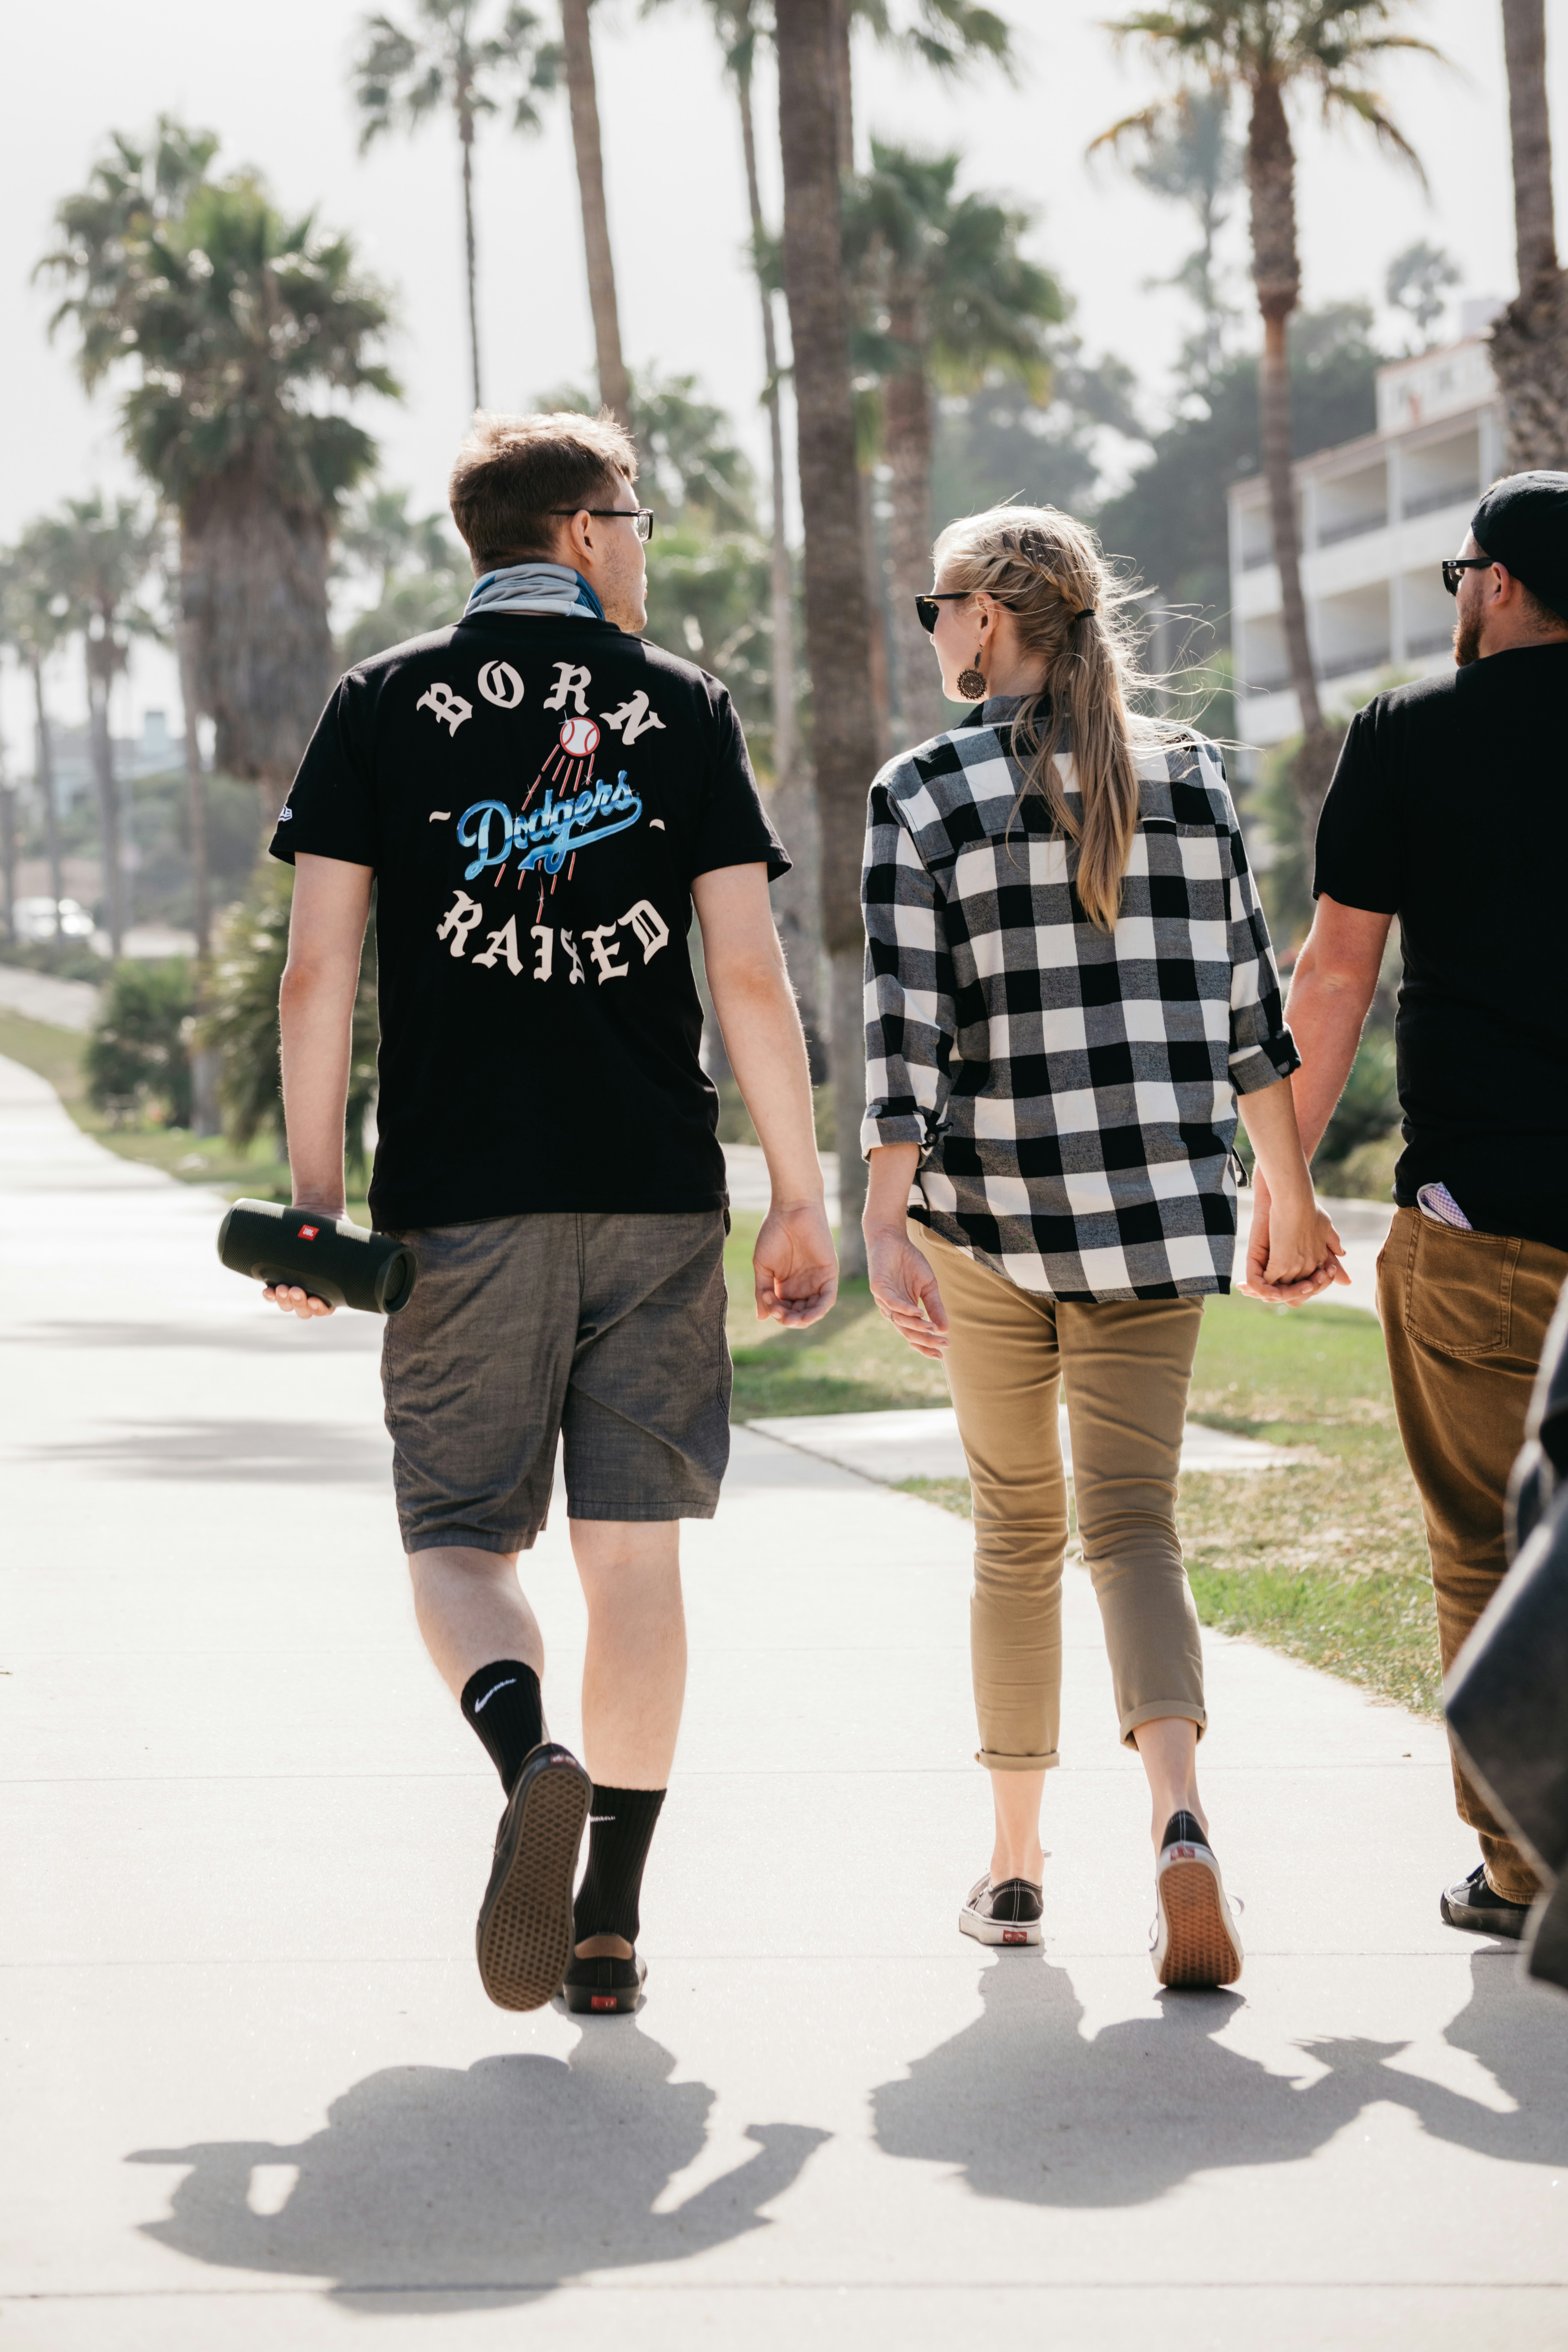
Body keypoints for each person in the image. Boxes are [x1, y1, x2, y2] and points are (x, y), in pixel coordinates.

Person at [262, 409, 836, 2016]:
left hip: (463, 1201)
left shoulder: (377, 705)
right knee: (633, 1563)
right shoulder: (682, 705)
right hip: (657, 1192)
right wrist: (798, 1192)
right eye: (634, 519)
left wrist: (317, 1203)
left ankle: (528, 1756)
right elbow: (746, 974)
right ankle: (610, 1926)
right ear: (583, 533)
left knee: (458, 1537)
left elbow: (317, 974)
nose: (644, 545)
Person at [859, 504, 1344, 1987]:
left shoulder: (923, 791)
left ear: (992, 623)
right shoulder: (1190, 779)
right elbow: (1249, 1020)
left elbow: (906, 1038)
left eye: (939, 605)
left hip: (994, 1220)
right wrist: (1291, 1196)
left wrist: (887, 1217)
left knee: (1018, 1536)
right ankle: (1183, 1827)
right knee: (1136, 1529)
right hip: (1154, 1218)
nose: (930, 628)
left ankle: (1013, 1874)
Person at [1253, 469, 1568, 1942]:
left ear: (1497, 582)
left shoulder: (1408, 736)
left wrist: (1286, 1184)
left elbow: (1334, 973)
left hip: (1480, 1220)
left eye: (1460, 571)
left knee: (1484, 1546)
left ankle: (1523, 1874)